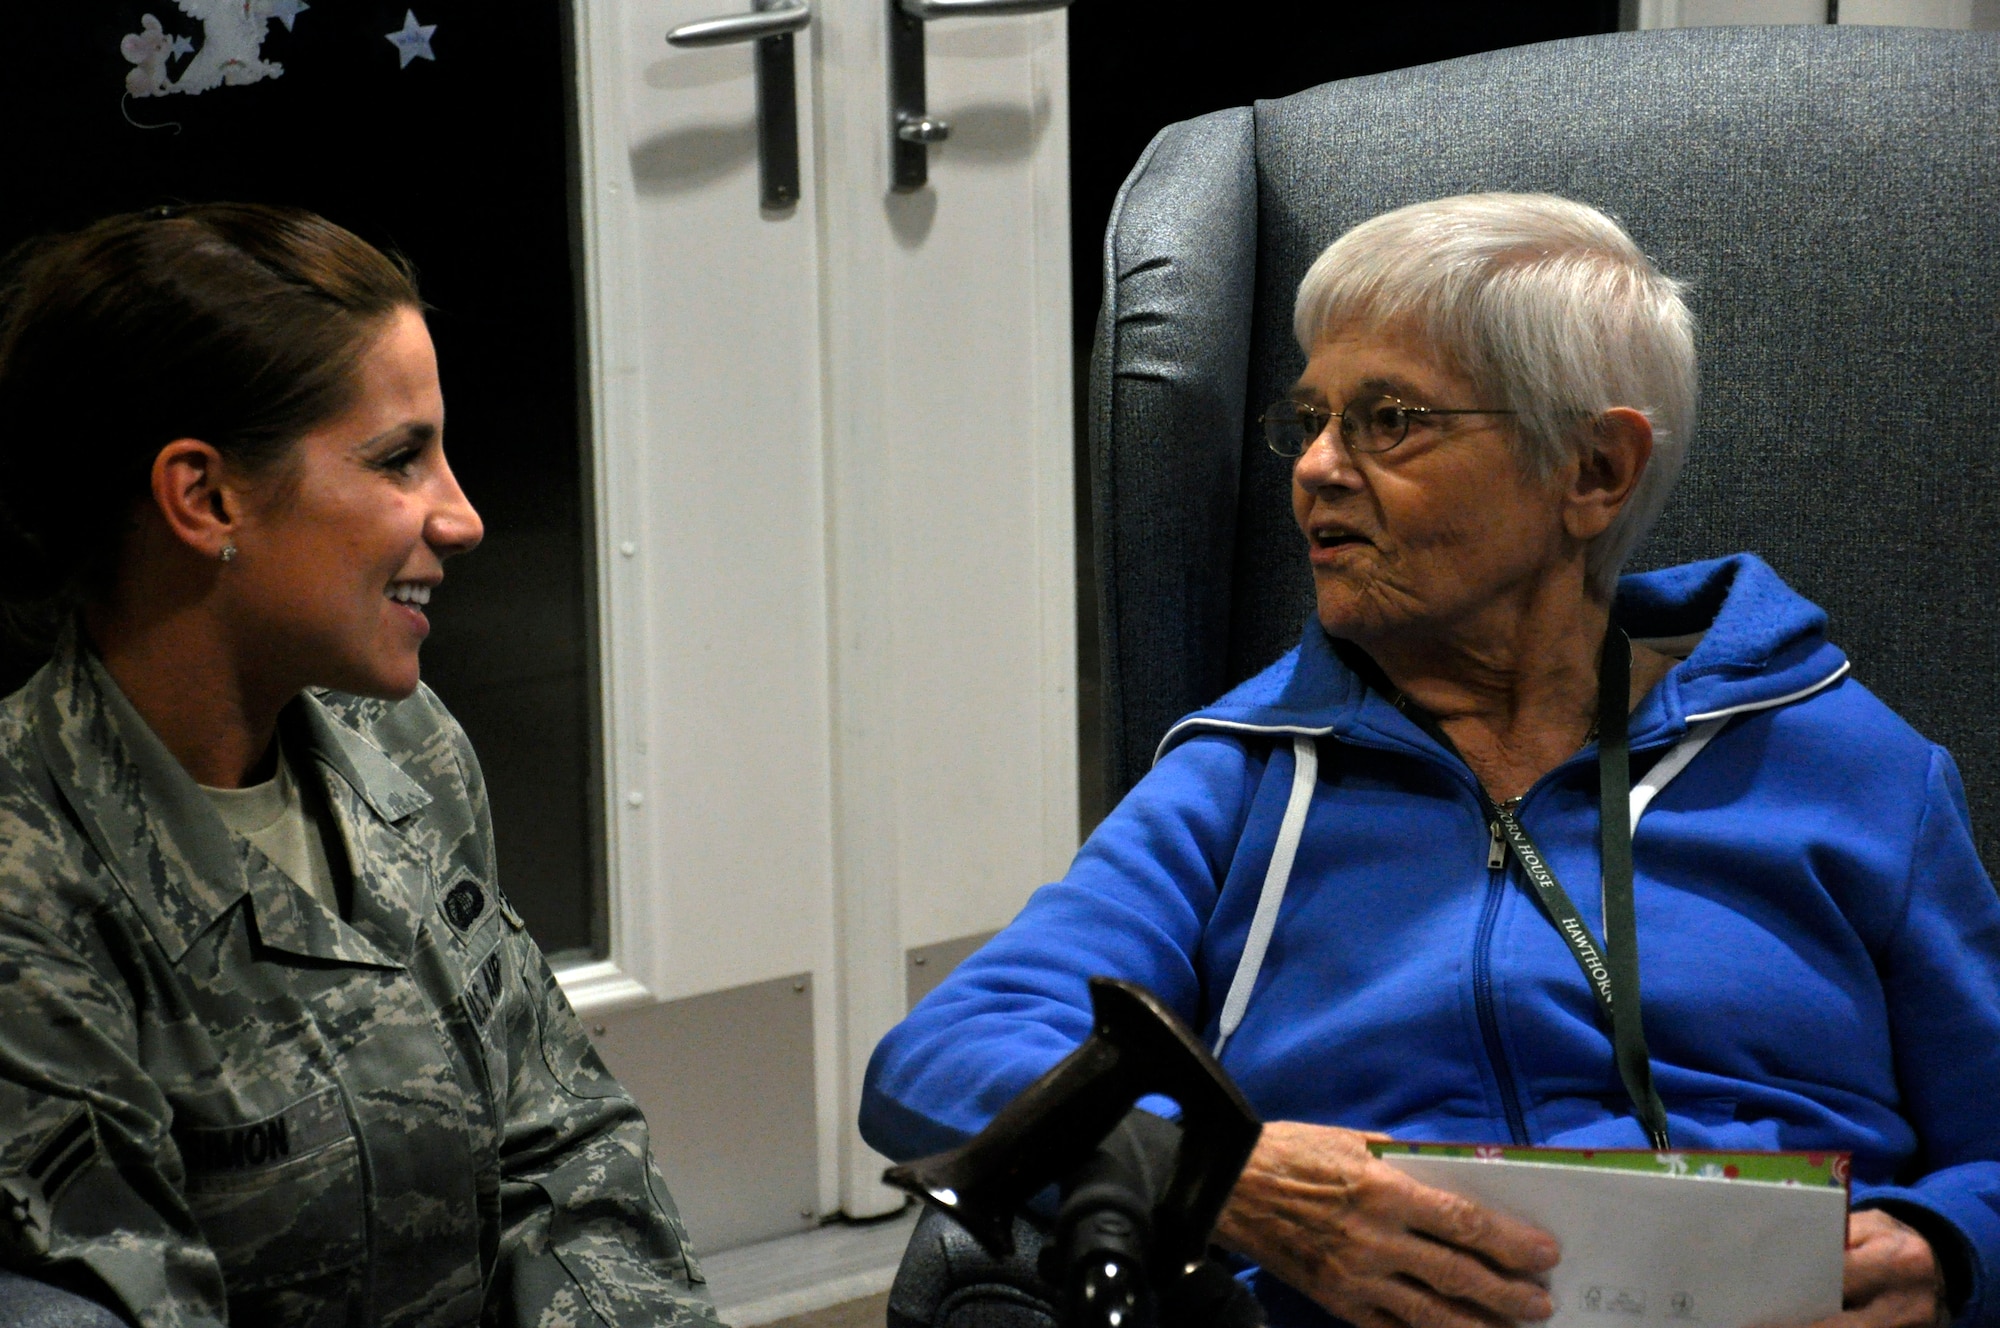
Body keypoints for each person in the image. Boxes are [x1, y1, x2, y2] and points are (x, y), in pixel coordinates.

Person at [861, 194, 2000, 1328]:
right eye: (1307, 419)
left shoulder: (1843, 765)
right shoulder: (1245, 774)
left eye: (1388, 418)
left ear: (1592, 469)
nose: (1314, 468)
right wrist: (1232, 1175)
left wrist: (1945, 1249)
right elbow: (941, 1057)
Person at [0, 204, 719, 1327]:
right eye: (398, 458)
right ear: (206, 496)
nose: (465, 515)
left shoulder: (403, 743)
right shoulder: (27, 881)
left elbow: (563, 1144)